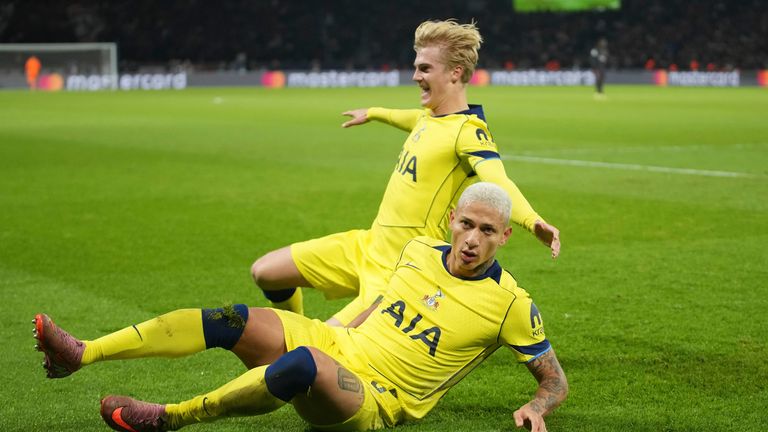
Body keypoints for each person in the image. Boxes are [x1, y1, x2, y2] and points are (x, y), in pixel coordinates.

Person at [34, 182, 568, 432]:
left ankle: (170, 418)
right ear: (452, 218)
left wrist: (536, 408)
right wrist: (321, 327)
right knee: (233, 319)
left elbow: (555, 382)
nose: (472, 239)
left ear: (504, 238)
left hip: (375, 398)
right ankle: (82, 353)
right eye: (466, 224)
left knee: (303, 366)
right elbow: (380, 305)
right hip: (340, 343)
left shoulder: (511, 306)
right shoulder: (418, 250)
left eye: (488, 231)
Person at [252, 19, 561, 327]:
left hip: (400, 267)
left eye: (425, 68)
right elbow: (407, 117)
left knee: (320, 345)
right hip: (367, 245)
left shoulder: (468, 131)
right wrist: (372, 113)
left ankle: (297, 344)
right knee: (264, 273)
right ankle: (293, 328)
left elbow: (498, 180)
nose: (415, 76)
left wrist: (533, 222)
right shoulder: (429, 117)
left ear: (455, 72)